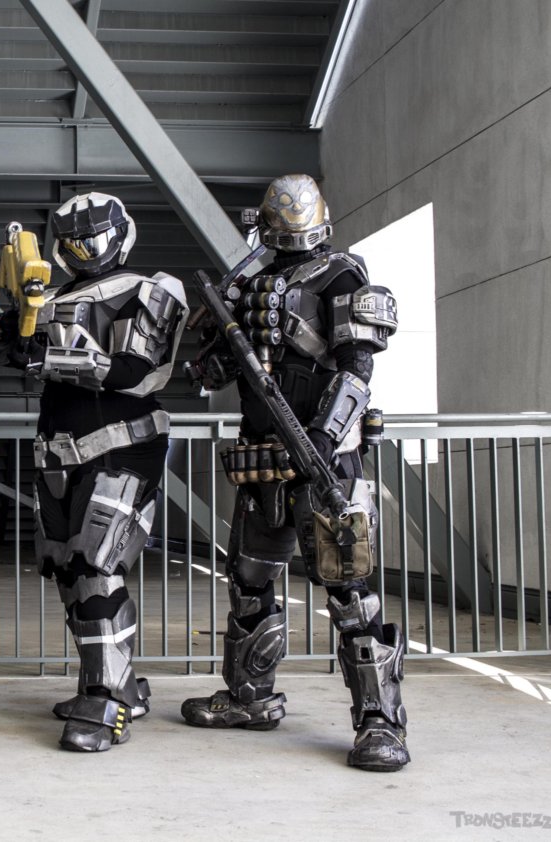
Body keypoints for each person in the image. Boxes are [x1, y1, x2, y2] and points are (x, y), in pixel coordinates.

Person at [181, 173, 408, 771]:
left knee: (349, 591)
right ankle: (249, 697)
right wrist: (216, 332)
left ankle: (381, 722)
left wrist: (324, 439)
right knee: (248, 582)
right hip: (263, 461)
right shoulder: (250, 283)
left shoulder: (341, 275)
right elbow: (211, 372)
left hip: (325, 461)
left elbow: (356, 370)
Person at [0, 192, 187, 751]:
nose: (87, 248)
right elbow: (15, 352)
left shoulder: (151, 288)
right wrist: (17, 323)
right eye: (75, 241)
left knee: (98, 565)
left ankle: (106, 699)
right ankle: (115, 683)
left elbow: (135, 370)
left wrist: (47, 356)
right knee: (68, 570)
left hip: (124, 446)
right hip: (61, 453)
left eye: (95, 237)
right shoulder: (51, 298)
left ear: (120, 234)